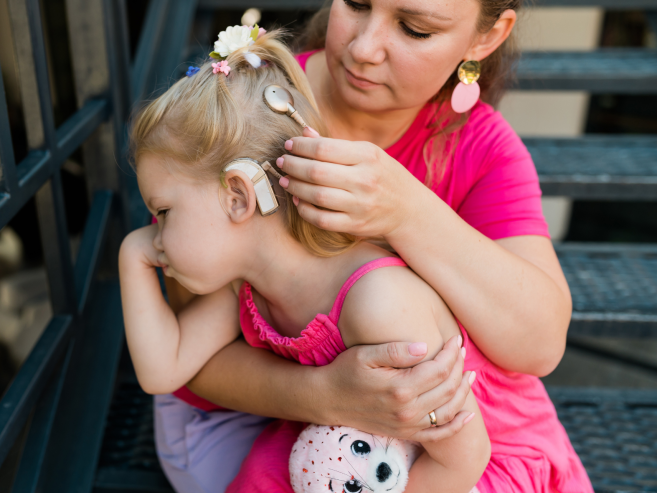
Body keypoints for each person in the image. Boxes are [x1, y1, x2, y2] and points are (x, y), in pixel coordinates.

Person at [154, 0, 583, 491]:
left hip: (412, 433)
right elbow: (192, 358)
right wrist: (325, 396)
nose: (362, 48)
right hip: (248, 407)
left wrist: (408, 212)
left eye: (414, 28)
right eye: (356, 3)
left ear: (484, 38)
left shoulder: (478, 147)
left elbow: (539, 347)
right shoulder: (245, 113)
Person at [121, 30, 490, 492]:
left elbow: (464, 457)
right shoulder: (246, 288)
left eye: (163, 213)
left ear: (238, 196)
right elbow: (164, 369)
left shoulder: (378, 304)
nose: (155, 235)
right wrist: (132, 256)